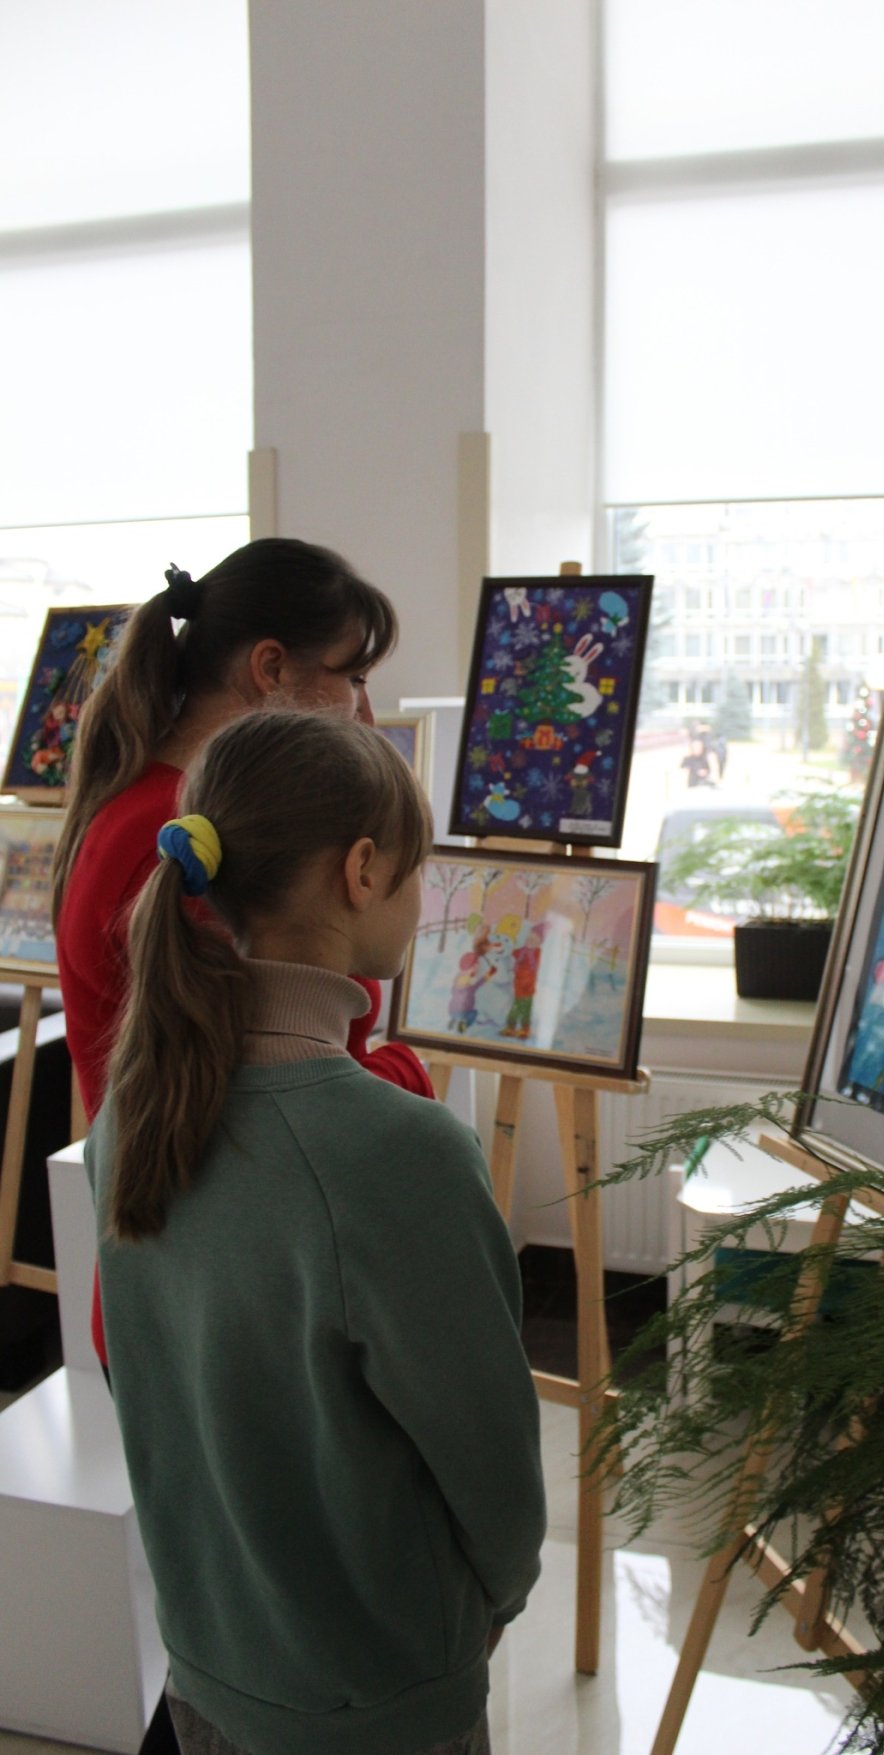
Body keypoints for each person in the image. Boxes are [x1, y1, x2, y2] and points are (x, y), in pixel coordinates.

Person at [87, 709, 546, 1755]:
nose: (423, 898)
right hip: (375, 1700)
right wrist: (487, 1609)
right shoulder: (400, 1154)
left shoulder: (134, 1116)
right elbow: (496, 1479)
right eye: (417, 868)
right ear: (362, 870)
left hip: (207, 1668)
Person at [52, 538, 434, 1755]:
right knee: (278, 1646)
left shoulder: (168, 821)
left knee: (244, 1630)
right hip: (234, 1276)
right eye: (350, 676)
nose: (364, 711)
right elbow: (261, 1093)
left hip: (213, 1266)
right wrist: (399, 1087)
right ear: (272, 670)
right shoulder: (174, 836)